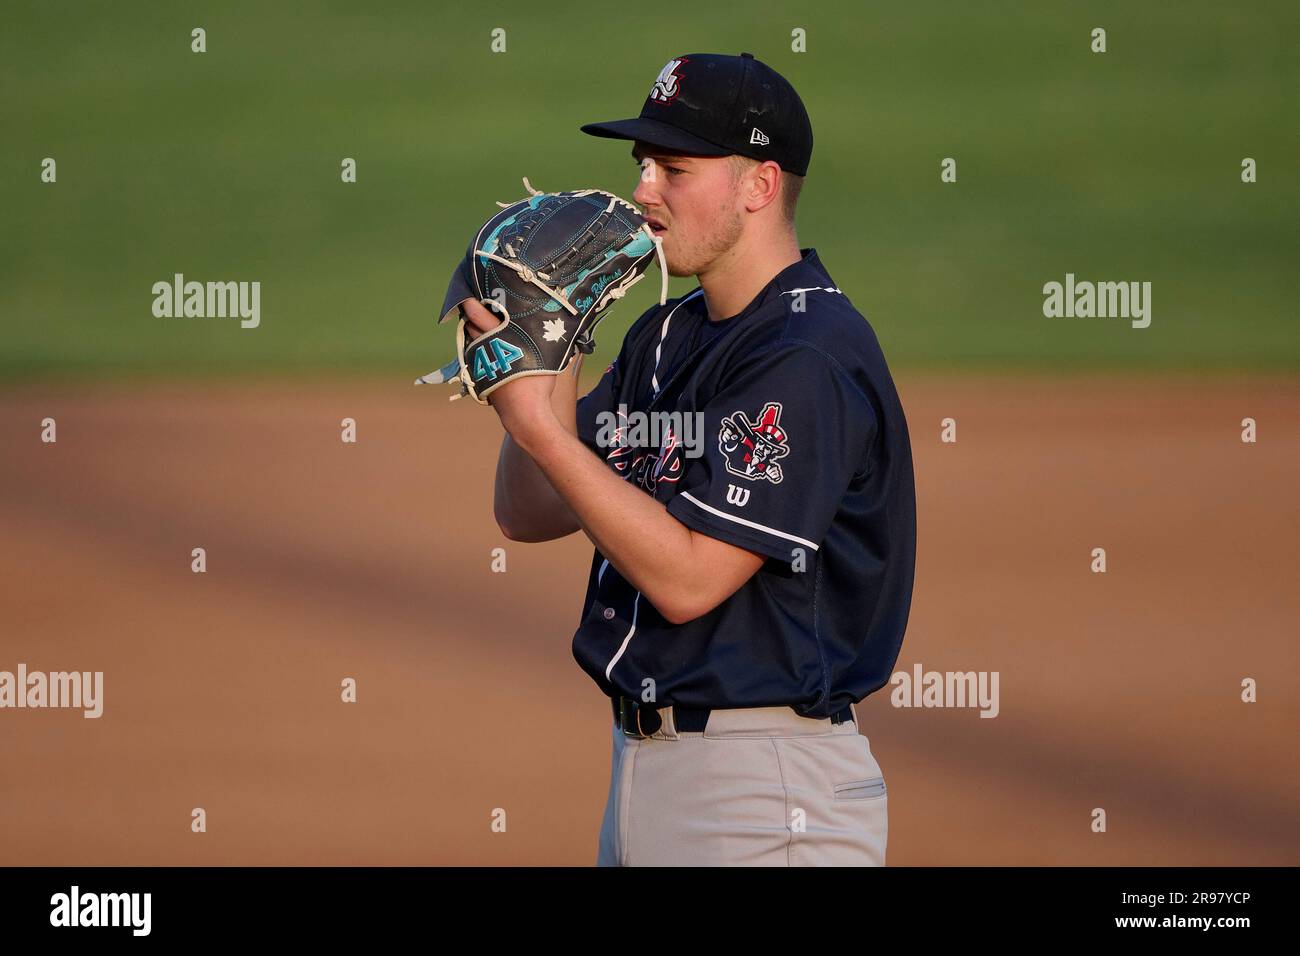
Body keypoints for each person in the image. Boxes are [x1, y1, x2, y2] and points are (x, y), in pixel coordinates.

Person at [463, 52, 916, 866]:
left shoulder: (806, 355)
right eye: (642, 164)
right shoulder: (665, 335)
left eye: (674, 167)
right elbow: (528, 511)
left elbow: (687, 580)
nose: (643, 190)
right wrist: (552, 355)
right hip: (646, 775)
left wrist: (543, 431)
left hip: (766, 795)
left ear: (759, 185)